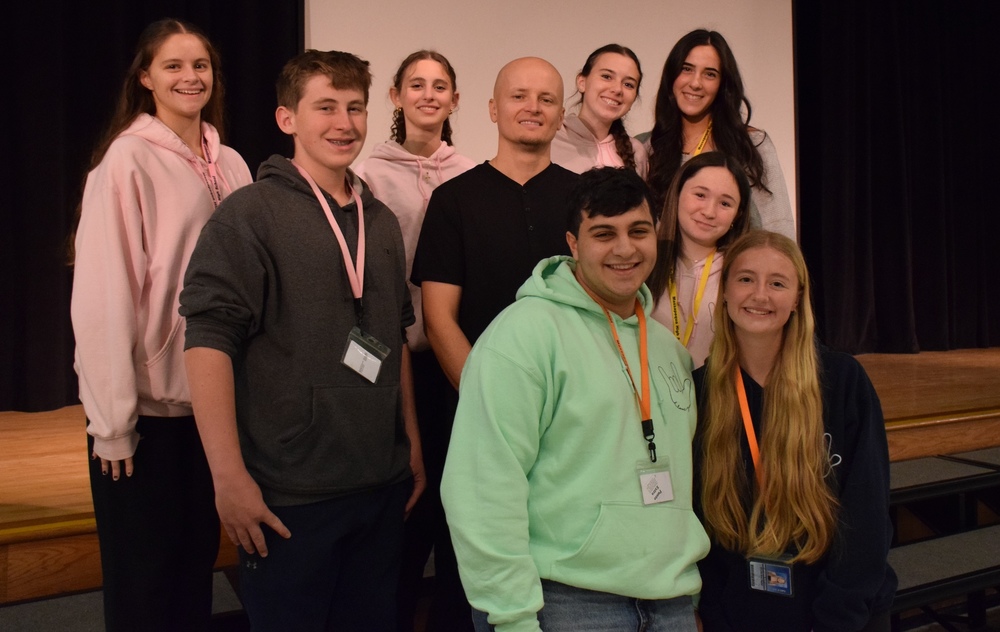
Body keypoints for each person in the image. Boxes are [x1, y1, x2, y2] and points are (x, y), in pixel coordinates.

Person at [180, 49, 424, 631]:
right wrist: (228, 477)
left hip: (379, 484)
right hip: (288, 497)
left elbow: (392, 339)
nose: (344, 123)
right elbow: (207, 342)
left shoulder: (381, 220)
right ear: (287, 118)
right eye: (326, 107)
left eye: (355, 108)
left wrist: (410, 443)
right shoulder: (249, 216)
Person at [441, 167, 709, 632]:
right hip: (565, 604)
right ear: (572, 243)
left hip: (670, 602)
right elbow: (482, 488)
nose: (624, 249)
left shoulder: (668, 350)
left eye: (638, 231)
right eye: (603, 233)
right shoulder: (523, 336)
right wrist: (512, 619)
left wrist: (687, 596)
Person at [69, 18, 252, 631]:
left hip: (214, 407)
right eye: (173, 66)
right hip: (148, 419)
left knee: (193, 573)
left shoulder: (231, 162)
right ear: (145, 78)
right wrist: (112, 422)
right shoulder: (125, 161)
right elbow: (103, 298)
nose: (189, 77)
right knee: (143, 587)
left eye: (199, 65)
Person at [693, 230, 896, 631]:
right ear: (727, 291)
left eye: (778, 283)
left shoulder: (841, 382)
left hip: (837, 615)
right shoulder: (700, 392)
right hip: (738, 617)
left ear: (798, 299)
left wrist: (836, 620)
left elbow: (867, 520)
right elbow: (700, 524)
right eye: (746, 279)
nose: (760, 295)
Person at [354, 49, 476, 632]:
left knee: (457, 495)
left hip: (455, 356)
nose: (429, 95)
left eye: (441, 86)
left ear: (455, 100)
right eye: (416, 85)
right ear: (396, 97)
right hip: (392, 357)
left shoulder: (473, 173)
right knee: (402, 499)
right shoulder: (367, 174)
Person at [411, 56, 579, 390]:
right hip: (478, 399)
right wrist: (485, 398)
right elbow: (439, 320)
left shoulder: (586, 199)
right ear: (493, 109)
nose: (533, 107)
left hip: (572, 396)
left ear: (560, 117)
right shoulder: (453, 200)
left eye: (546, 99)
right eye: (518, 96)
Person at [645, 29, 794, 240]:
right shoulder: (648, 147)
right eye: (687, 69)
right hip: (664, 272)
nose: (695, 83)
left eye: (709, 74)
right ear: (671, 76)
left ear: (722, 85)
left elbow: (778, 226)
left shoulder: (750, 144)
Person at [646, 152, 752, 368]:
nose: (709, 212)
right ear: (677, 194)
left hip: (718, 395)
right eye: (700, 195)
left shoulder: (743, 273)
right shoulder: (645, 261)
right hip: (650, 394)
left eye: (725, 203)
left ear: (738, 215)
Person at [551, 44, 648, 177]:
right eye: (607, 77)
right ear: (582, 82)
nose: (617, 89)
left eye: (628, 84)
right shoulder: (551, 139)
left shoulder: (637, 151)